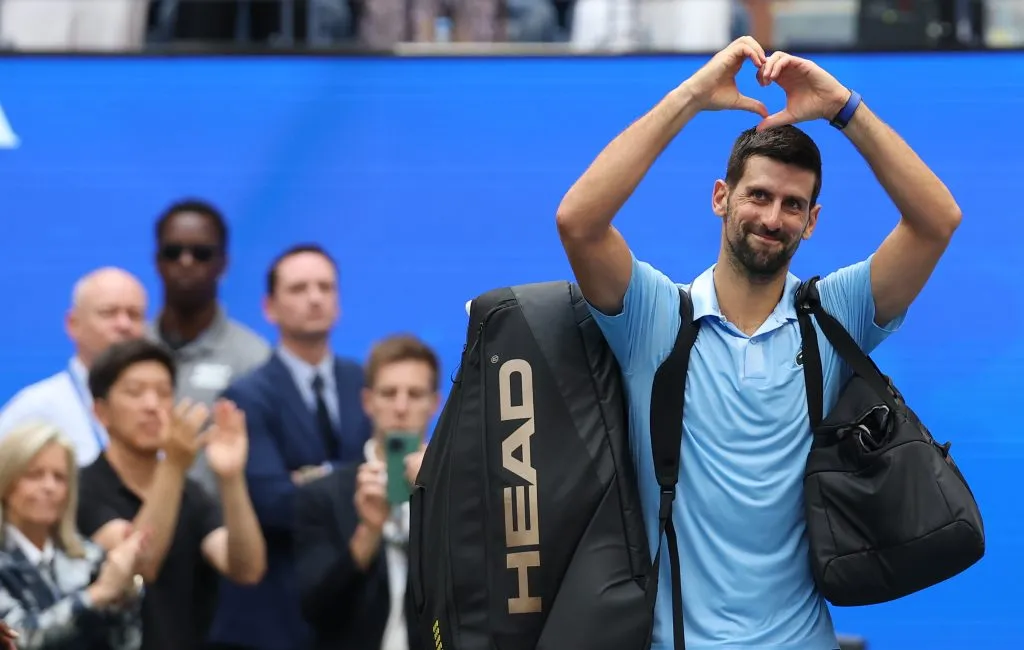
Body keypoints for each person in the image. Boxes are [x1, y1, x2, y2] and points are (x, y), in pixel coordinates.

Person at [555, 36, 961, 649]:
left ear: (812, 221)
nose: (773, 218)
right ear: (722, 198)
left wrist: (843, 106)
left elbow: (937, 221)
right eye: (759, 195)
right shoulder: (656, 316)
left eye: (793, 205)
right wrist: (693, 96)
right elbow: (578, 221)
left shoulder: (832, 314)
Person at [207, 244, 371, 650]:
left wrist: (313, 477)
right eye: (298, 288)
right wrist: (355, 481)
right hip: (274, 615)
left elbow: (395, 483)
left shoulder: (364, 382)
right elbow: (272, 502)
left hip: (355, 610)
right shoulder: (244, 395)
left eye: (325, 287)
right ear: (269, 307)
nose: (315, 297)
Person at [76, 340, 267, 650]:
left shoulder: (192, 494)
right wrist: (175, 464)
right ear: (101, 412)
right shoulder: (81, 487)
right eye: (135, 392)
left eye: (164, 393)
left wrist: (230, 479)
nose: (152, 405)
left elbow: (247, 568)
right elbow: (142, 567)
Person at [295, 334, 441, 650]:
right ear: (367, 402)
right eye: (389, 393)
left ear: (435, 403)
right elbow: (314, 610)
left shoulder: (456, 490)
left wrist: (441, 495)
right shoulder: (323, 495)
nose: (401, 407)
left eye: (415, 394)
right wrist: (369, 532)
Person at [147, 199, 271, 496]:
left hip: (219, 531)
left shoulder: (255, 359)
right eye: (173, 252)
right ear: (158, 261)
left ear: (223, 263)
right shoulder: (129, 352)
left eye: (201, 253)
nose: (186, 262)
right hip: (129, 525)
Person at [0, 421, 146, 649]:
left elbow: (127, 643)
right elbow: (18, 638)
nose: (49, 487)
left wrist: (125, 595)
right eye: (34, 475)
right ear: (6, 482)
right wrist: (97, 595)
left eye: (59, 477)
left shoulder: (91, 557)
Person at [0, 267, 147, 466]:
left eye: (134, 315)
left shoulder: (156, 408)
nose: (123, 324)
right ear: (73, 324)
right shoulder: (35, 408)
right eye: (108, 313)